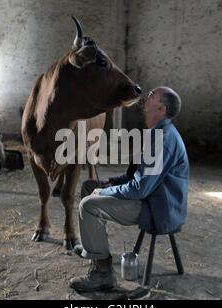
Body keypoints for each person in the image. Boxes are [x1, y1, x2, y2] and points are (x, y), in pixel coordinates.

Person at [69, 86, 189, 292]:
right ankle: (93, 247)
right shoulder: (156, 132)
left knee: (89, 205)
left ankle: (103, 274)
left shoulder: (163, 139)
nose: (146, 95)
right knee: (91, 185)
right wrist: (108, 184)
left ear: (160, 108)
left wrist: (105, 192)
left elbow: (140, 188)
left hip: (158, 208)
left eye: (152, 95)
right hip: (151, 197)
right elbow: (135, 176)